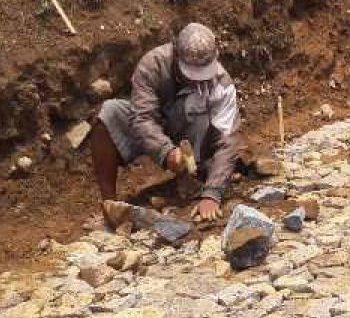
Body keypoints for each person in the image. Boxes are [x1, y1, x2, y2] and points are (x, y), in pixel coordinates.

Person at [90, 22, 242, 223]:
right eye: (191, 74)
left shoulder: (221, 83)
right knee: (109, 113)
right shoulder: (152, 65)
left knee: (197, 107)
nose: (197, 81)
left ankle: (196, 179)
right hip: (157, 127)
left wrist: (212, 194)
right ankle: (109, 205)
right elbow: (142, 118)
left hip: (197, 137)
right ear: (176, 54)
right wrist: (166, 151)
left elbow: (228, 140)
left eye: (202, 75)